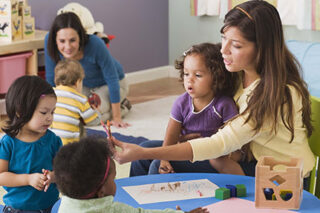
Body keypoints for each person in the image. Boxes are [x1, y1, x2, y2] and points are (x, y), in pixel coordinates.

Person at [112, 0, 315, 185]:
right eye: (223, 39)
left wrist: (142, 152)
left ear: (261, 49)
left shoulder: (276, 94)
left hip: (278, 179)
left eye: (235, 45)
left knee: (157, 163)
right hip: (244, 159)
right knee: (146, 155)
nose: (223, 50)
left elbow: (220, 144)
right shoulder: (236, 75)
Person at [131, 42, 247, 177]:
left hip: (210, 156)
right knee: (143, 150)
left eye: (197, 75)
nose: (189, 80)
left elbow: (235, 142)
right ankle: (130, 195)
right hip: (185, 148)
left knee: (157, 165)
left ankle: (153, 196)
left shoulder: (224, 105)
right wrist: (164, 158)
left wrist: (227, 160)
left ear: (216, 77)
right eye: (186, 74)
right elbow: (171, 136)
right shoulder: (181, 103)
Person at [53, 136, 207, 213]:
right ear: (101, 192)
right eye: (113, 179)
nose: (116, 182)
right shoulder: (112, 210)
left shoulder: (67, 203)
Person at [45, 12, 131, 128]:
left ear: (80, 37)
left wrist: (116, 117)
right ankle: (111, 107)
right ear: (55, 40)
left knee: (89, 117)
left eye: (72, 40)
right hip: (82, 86)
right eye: (62, 41)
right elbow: (51, 79)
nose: (68, 47)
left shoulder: (95, 44)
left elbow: (112, 78)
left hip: (112, 84)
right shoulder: (49, 42)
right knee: (72, 114)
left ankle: (123, 107)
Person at [0, 76, 62, 212]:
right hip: (17, 209)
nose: (49, 117)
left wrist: (52, 177)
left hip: (50, 206)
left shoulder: (53, 140)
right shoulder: (8, 143)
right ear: (20, 111)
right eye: (44, 112)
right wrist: (28, 179)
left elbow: (64, 171)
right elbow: (1, 176)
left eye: (53, 112)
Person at [50, 59, 100, 145]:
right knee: (81, 127)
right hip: (69, 147)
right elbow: (94, 122)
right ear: (78, 82)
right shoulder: (81, 99)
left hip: (49, 144)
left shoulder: (49, 93)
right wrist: (97, 111)